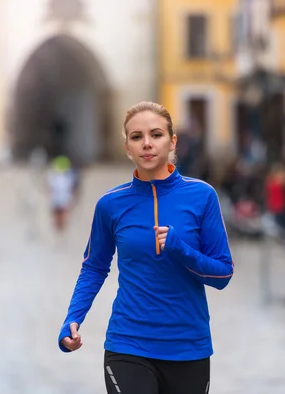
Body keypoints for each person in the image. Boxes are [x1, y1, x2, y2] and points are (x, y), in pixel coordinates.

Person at [58, 101, 234, 394]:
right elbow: (94, 267)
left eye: (156, 134)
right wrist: (72, 319)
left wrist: (181, 250)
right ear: (127, 147)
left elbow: (223, 274)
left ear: (172, 141)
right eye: (137, 137)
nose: (147, 144)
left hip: (188, 347)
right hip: (128, 343)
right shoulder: (110, 205)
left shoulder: (202, 196)